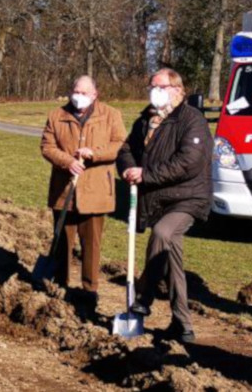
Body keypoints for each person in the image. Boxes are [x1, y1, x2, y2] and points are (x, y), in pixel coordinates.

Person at [116, 68, 212, 344]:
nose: (154, 90)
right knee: (172, 260)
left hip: (187, 198)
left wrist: (147, 175)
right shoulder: (146, 120)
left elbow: (189, 161)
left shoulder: (192, 120)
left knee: (163, 234)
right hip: (158, 200)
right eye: (151, 85)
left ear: (178, 90)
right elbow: (126, 150)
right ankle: (183, 325)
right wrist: (130, 169)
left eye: (160, 86)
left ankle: (144, 298)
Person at [40, 75, 126, 293]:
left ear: (95, 95)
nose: (78, 97)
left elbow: (119, 145)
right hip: (64, 192)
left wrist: (94, 154)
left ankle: (90, 291)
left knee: (91, 247)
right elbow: (47, 147)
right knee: (62, 244)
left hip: (96, 192)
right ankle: (60, 287)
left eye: (84, 93)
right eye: (75, 92)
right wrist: (67, 161)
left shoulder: (111, 115)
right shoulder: (57, 115)